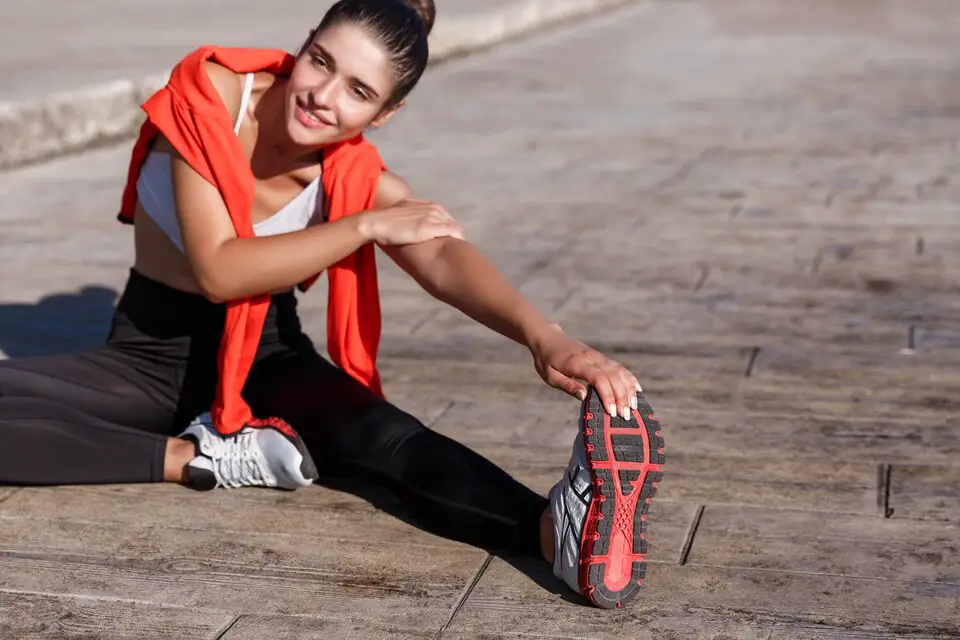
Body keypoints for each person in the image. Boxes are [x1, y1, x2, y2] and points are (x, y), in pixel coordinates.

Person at [0, 0, 664, 609]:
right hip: (150, 355)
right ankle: (200, 461)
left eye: (359, 92)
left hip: (266, 353)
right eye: (322, 62)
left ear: (384, 115)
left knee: (386, 441)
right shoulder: (211, 99)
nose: (323, 96)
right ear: (305, 43)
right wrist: (365, 227)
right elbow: (219, 268)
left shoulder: (357, 175)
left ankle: (561, 533)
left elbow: (439, 253)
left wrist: (544, 338)